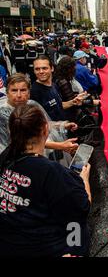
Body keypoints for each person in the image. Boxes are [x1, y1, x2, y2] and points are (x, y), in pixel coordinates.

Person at [0, 104, 91, 257]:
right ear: (45, 130)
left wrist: (60, 146)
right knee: (76, 224)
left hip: (8, 242)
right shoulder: (52, 172)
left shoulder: (6, 156)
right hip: (43, 248)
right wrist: (84, 180)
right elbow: (82, 208)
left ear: (12, 132)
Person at [0, 73, 79, 161]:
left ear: (29, 92)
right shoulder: (2, 114)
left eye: (23, 90)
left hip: (41, 157)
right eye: (14, 90)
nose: (19, 95)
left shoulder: (32, 104)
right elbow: (20, 143)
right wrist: (60, 146)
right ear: (7, 92)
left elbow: (43, 124)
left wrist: (62, 125)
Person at [30, 56, 84, 122]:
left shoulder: (53, 85)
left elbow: (58, 105)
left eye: (44, 68)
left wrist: (73, 102)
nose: (41, 71)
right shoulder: (34, 92)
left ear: (52, 68)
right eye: (37, 69)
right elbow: (37, 121)